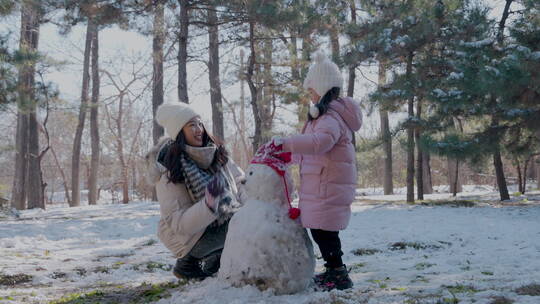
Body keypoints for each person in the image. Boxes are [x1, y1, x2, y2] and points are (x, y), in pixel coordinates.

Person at [273, 52, 362, 291]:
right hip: (321, 184)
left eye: (311, 89)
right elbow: (310, 148)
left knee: (324, 232)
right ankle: (334, 269)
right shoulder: (323, 116)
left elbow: (319, 143)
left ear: (322, 88)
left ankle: (338, 272)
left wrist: (287, 143)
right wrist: (288, 156)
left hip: (327, 185)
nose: (310, 94)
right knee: (321, 230)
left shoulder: (330, 117)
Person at [145, 101, 244, 280]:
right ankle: (189, 262)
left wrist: (259, 197)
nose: (199, 129)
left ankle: (218, 259)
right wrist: (209, 205)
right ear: (179, 132)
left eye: (200, 123)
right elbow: (178, 223)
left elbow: (240, 182)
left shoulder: (216, 153)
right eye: (191, 125)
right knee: (243, 229)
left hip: (222, 222)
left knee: (251, 220)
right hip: (189, 239)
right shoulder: (170, 167)